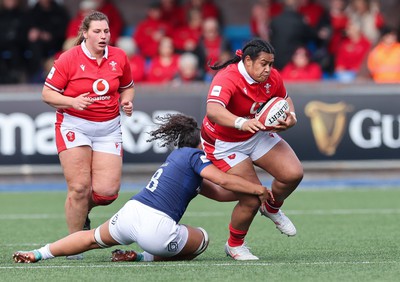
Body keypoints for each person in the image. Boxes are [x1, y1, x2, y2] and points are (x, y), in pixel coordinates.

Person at [13, 113, 273, 263]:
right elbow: (224, 180)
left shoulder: (178, 160)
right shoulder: (195, 156)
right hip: (156, 226)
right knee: (203, 239)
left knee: (92, 238)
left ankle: (39, 253)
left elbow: (219, 193)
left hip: (132, 212)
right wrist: (258, 189)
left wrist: (247, 193)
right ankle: (144, 257)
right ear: (201, 142)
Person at [41, 11, 134, 260]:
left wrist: (126, 102)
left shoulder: (119, 56)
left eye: (106, 31)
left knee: (107, 193)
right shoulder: (68, 59)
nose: (103, 36)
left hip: (109, 127)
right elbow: (48, 94)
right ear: (85, 33)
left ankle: (80, 211)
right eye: (97, 31)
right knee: (79, 187)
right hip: (75, 125)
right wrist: (72, 101)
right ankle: (73, 244)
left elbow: (127, 87)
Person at [201, 38, 303, 260]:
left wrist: (291, 118)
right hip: (224, 143)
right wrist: (241, 122)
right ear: (248, 61)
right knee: (252, 197)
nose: (268, 70)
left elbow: (285, 100)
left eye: (271, 64)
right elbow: (213, 111)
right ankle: (234, 245)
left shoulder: (272, 76)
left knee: (293, 174)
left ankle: (272, 208)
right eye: (263, 64)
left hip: (256, 133)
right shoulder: (228, 77)